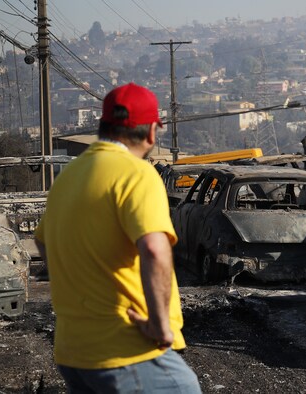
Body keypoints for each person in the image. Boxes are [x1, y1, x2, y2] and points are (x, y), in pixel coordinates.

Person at [35, 83, 201, 393]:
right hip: (126, 349)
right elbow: (154, 249)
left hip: (74, 353)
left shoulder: (67, 178)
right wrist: (159, 322)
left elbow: (43, 241)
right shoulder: (137, 174)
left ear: (102, 126)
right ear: (151, 132)